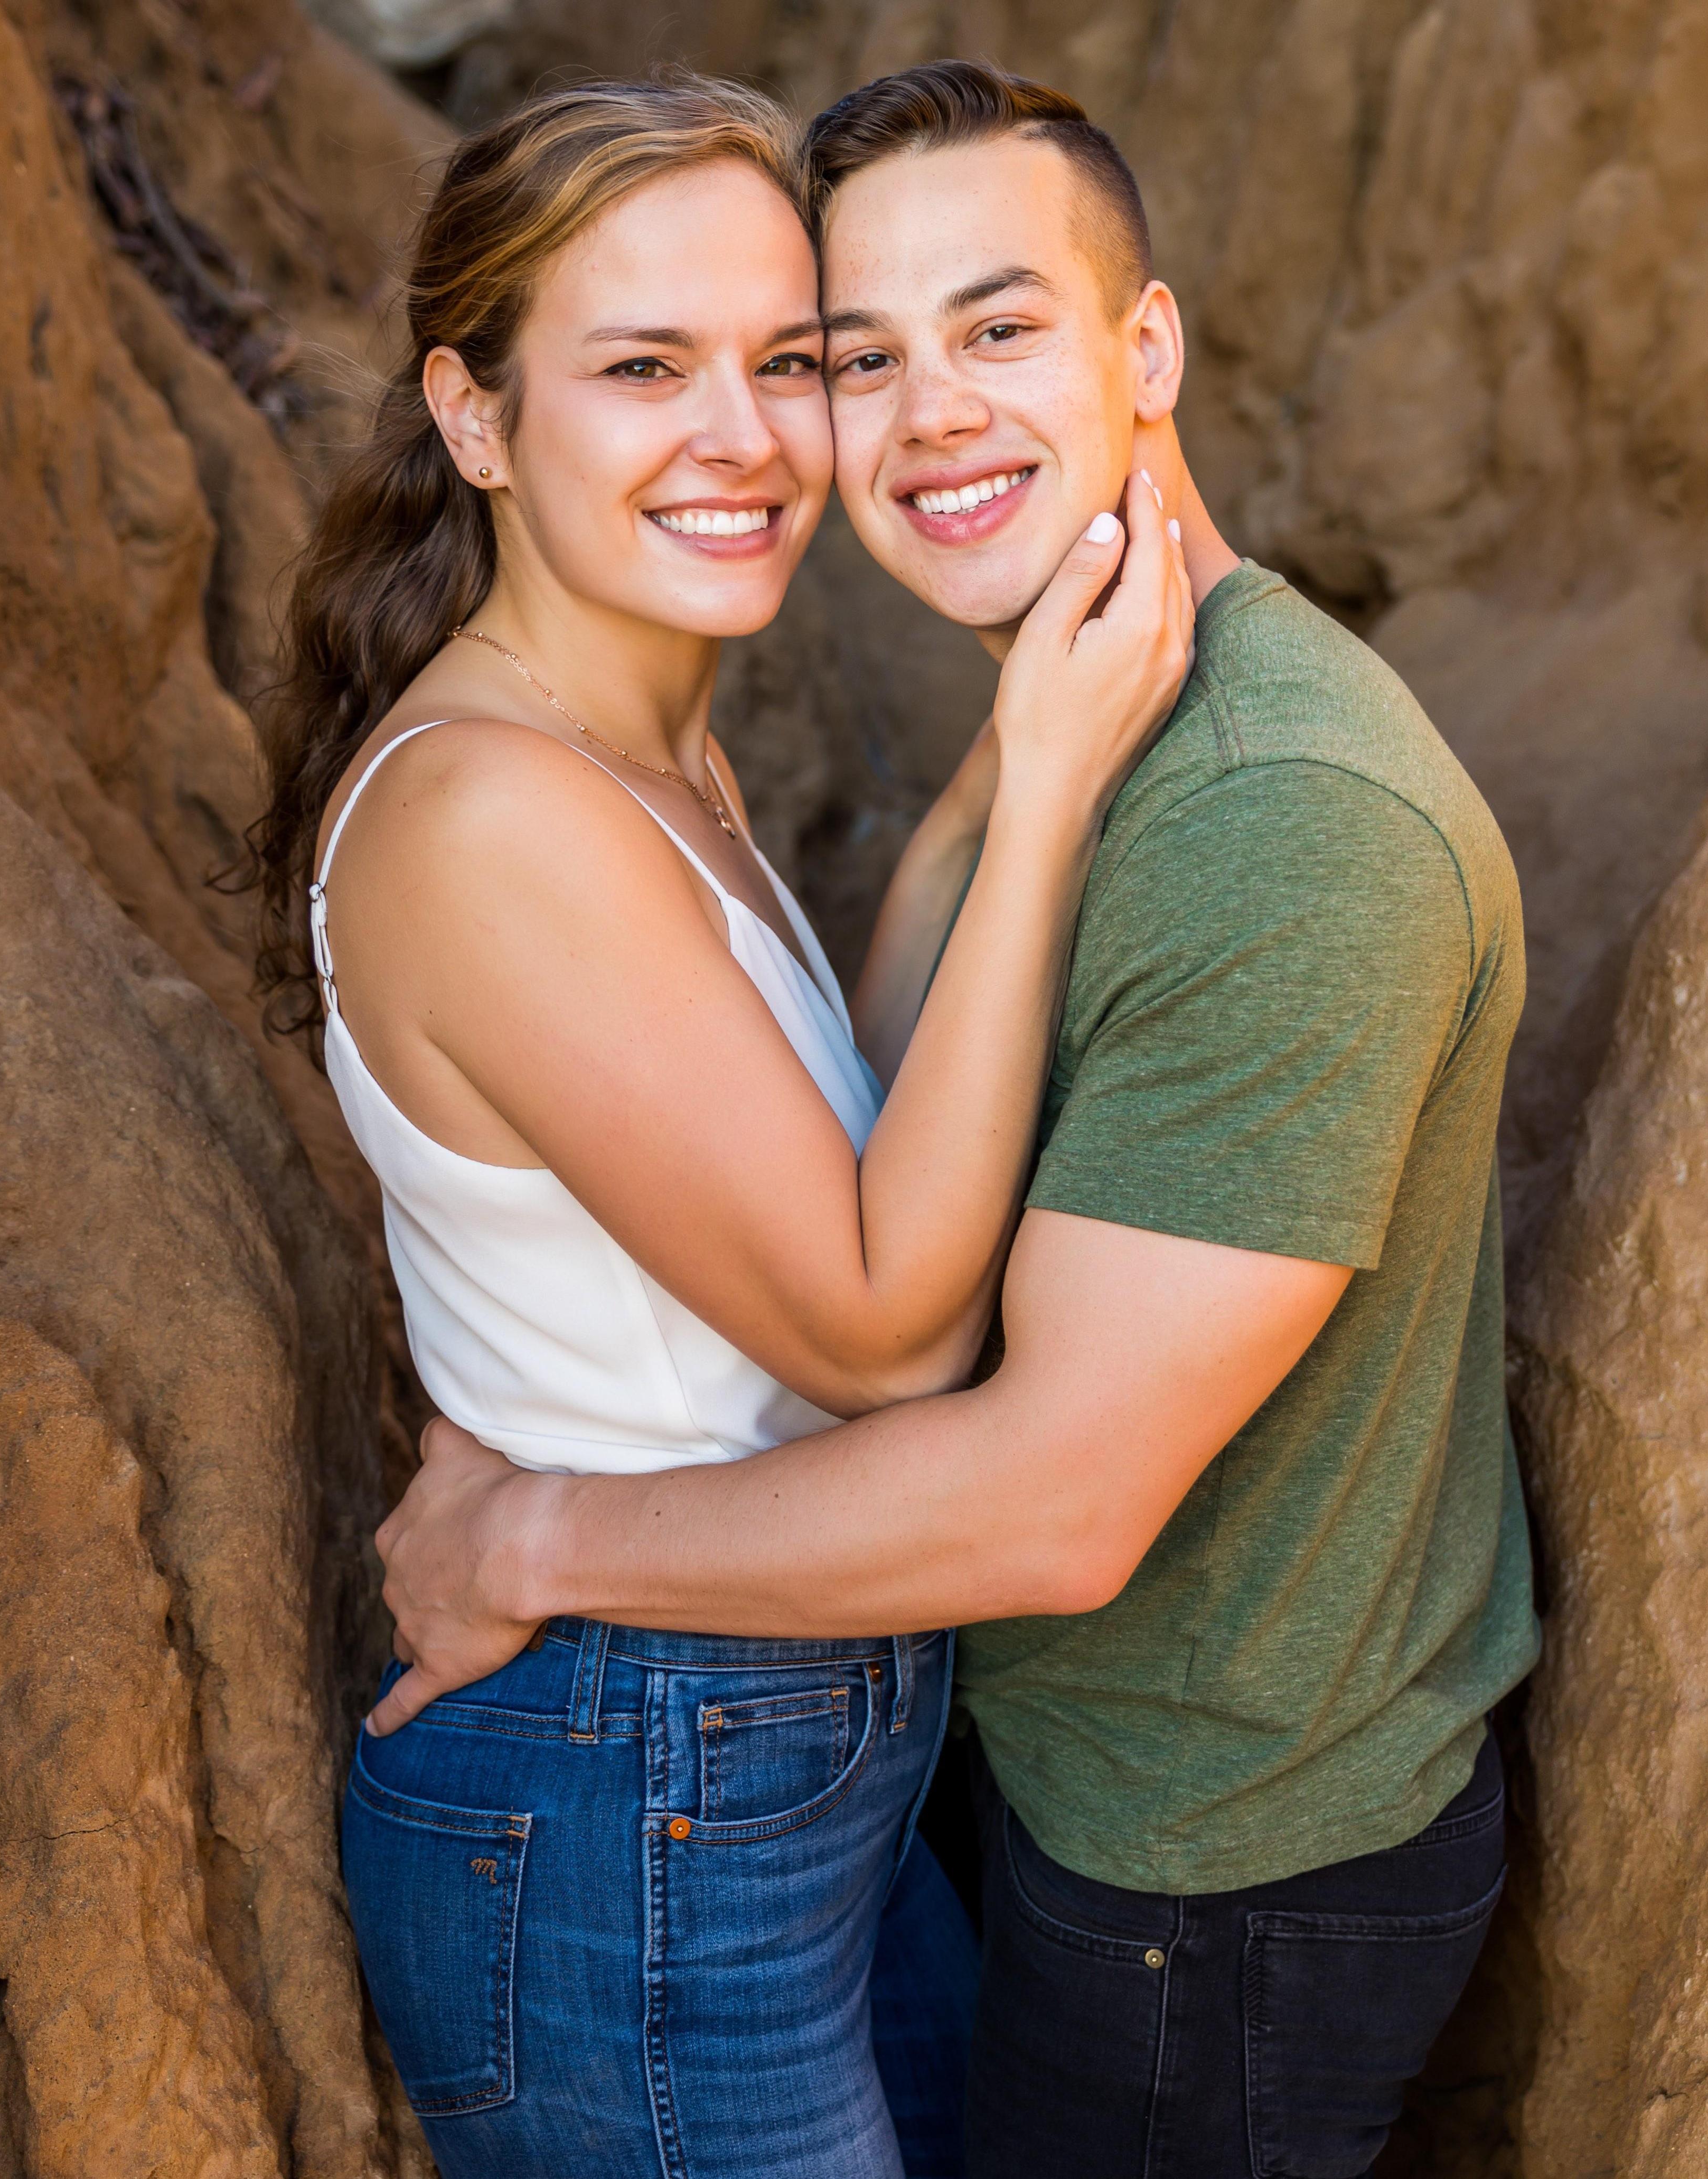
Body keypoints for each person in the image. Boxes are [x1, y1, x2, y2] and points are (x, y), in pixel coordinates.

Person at [376, 60, 1544, 2179]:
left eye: (996, 328)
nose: (923, 417)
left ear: (1147, 346)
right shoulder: (1077, 717)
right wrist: (1007, 789)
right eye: (859, 356)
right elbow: (895, 1132)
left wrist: (529, 1539)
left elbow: (1050, 1501)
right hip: (1009, 1777)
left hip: (1210, 1867)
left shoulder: (1280, 825)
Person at [245, 73, 1193, 2179]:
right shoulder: (498, 815)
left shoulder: (639, 745)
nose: (744, 435)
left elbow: (828, 1127)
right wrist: (1047, 795)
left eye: (789, 361)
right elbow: (882, 1333)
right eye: (645, 368)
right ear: (479, 418)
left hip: (765, 1755)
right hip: (630, 1790)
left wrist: (993, 772)